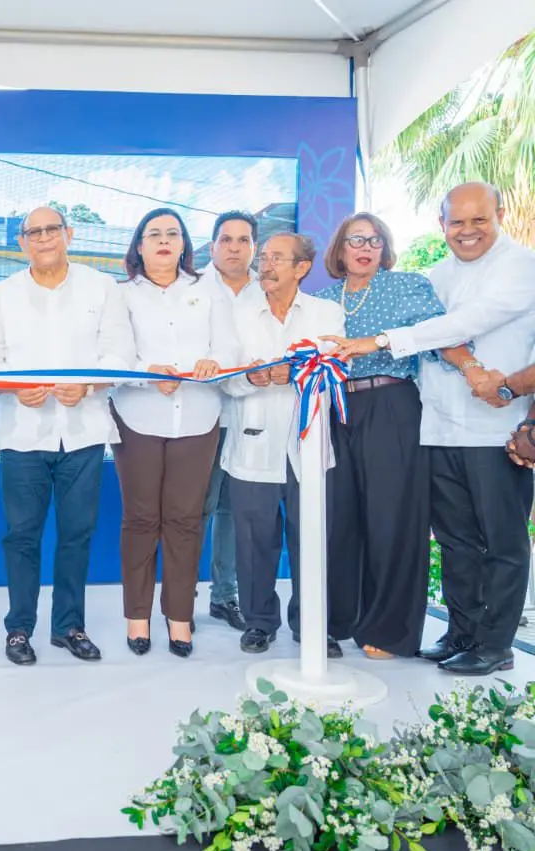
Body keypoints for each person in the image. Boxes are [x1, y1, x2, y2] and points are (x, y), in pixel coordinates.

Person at [327, 184, 535, 675]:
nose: (467, 231)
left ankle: (496, 644)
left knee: (502, 542)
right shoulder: (434, 277)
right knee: (455, 540)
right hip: (438, 428)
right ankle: (461, 632)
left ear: (500, 215)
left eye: (478, 220)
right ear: (442, 224)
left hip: (496, 428)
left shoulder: (521, 266)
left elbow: (467, 323)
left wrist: (380, 340)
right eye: (456, 222)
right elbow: (437, 342)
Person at [317, 212, 474, 661]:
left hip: (391, 405)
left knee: (391, 519)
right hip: (334, 410)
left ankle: (388, 630)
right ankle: (335, 621)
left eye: (375, 240)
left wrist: (472, 367)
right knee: (338, 519)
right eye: (356, 240)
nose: (366, 248)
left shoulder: (408, 286)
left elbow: (443, 337)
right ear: (340, 248)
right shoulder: (322, 300)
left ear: (385, 249)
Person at [0, 205, 134, 665]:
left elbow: (120, 355)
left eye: (52, 229)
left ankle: (69, 626)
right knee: (21, 536)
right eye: (34, 232)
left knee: (77, 534)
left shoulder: (101, 287)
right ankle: (18, 629)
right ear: (21, 242)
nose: (44, 238)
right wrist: (14, 387)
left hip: (82, 432)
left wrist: (87, 385)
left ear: (69, 234)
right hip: (23, 433)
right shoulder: (1, 295)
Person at [110, 207, 238, 658]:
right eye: (154, 234)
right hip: (137, 417)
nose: (164, 240)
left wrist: (215, 362)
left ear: (184, 244)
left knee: (185, 520)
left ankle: (179, 617)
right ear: (139, 246)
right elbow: (113, 354)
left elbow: (229, 345)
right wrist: (147, 372)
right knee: (141, 519)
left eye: (172, 233)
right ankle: (137, 616)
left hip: (199, 416)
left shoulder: (209, 290)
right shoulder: (120, 294)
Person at [220, 234, 344, 654]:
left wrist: (295, 374)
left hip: (308, 445)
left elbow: (332, 370)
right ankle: (258, 622)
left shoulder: (327, 313)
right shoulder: (238, 314)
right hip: (253, 443)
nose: (266, 265)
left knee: (312, 538)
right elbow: (224, 377)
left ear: (302, 268)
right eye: (264, 257)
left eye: (277, 258)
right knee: (254, 540)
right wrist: (249, 378)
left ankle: (312, 624)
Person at [199, 211, 261, 632]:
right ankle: (181, 598)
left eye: (243, 240)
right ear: (213, 246)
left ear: (254, 247)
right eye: (226, 240)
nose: (234, 248)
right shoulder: (193, 288)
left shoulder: (267, 289)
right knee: (197, 508)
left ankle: (225, 596)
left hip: (252, 412)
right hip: (202, 414)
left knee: (235, 510)